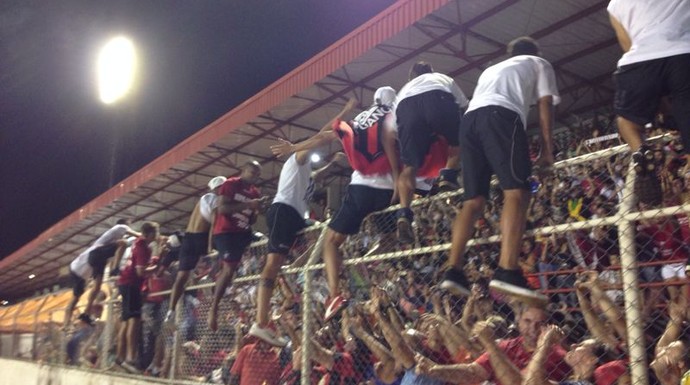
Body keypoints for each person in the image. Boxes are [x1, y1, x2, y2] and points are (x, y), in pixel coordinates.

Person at [440, 36, 559, 304]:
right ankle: (507, 269)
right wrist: (548, 151)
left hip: (470, 122)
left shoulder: (492, 70)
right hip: (501, 116)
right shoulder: (538, 62)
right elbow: (545, 104)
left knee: (473, 199)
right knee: (517, 190)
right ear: (535, 51)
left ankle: (453, 270)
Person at [271, 88, 399, 321]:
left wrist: (292, 147)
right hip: (390, 191)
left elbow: (326, 135)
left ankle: (335, 294)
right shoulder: (398, 114)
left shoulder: (360, 120)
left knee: (330, 241)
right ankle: (368, 261)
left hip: (362, 189)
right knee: (390, 235)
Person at [607, 0, 690, 208]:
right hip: (683, 53)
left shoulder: (615, 4)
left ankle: (640, 150)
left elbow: (626, 44)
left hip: (639, 60)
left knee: (627, 122)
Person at [394, 61, 469, 244]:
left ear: (412, 76)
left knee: (410, 165)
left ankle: (404, 211)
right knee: (459, 140)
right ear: (431, 70)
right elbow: (464, 105)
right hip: (438, 98)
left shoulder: (404, 88)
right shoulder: (441, 78)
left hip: (405, 107)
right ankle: (448, 177)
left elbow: (398, 125)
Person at [415, 306, 570, 385]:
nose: (532, 328)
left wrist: (490, 344)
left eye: (539, 324)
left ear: (547, 326)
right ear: (519, 321)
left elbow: (520, 383)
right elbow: (473, 371)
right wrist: (435, 370)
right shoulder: (508, 346)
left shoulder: (555, 352)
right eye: (527, 321)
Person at [209, 161, 269, 331]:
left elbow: (252, 219)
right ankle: (214, 308)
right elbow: (222, 209)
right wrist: (249, 204)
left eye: (257, 175)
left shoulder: (255, 192)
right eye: (252, 173)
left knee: (265, 246)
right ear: (242, 170)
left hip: (244, 232)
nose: (255, 177)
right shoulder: (230, 184)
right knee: (229, 270)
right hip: (227, 232)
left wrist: (258, 209)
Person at [164, 176, 227, 326]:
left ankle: (170, 311)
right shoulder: (213, 199)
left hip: (188, 239)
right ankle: (213, 275)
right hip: (201, 237)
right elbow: (213, 223)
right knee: (228, 250)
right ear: (219, 188)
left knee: (181, 277)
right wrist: (211, 245)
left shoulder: (202, 200)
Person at [64, 219, 139, 328]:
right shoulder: (120, 228)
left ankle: (85, 314)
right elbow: (138, 235)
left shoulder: (110, 242)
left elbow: (114, 255)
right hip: (94, 257)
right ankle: (115, 269)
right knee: (123, 243)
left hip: (85, 269)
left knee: (93, 289)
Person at [115, 221, 161, 373]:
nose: (158, 236)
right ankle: (130, 358)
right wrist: (158, 265)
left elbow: (141, 266)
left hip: (126, 283)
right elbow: (141, 272)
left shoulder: (137, 243)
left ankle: (120, 358)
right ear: (149, 234)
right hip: (131, 284)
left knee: (126, 320)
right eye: (156, 233)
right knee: (133, 320)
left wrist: (155, 259)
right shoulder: (142, 246)